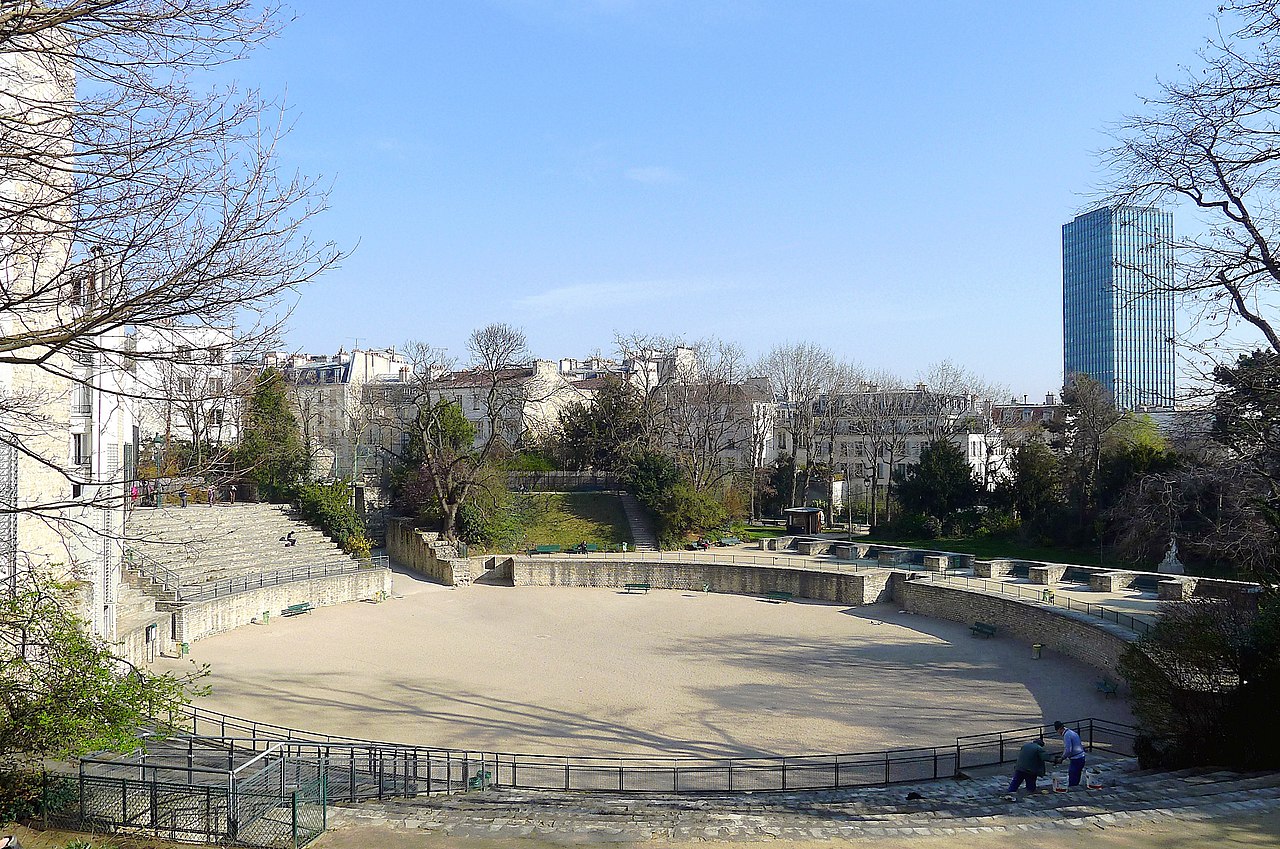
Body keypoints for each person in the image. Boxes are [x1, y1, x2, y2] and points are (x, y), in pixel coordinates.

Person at [1055, 720, 1087, 787]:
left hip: (1076, 759)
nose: (1058, 733)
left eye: (1057, 731)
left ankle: (1073, 791)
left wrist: (1062, 758)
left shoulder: (1067, 735)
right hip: (1081, 756)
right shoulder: (1072, 732)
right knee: (1077, 776)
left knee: (1072, 777)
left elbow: (1068, 750)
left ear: (1060, 729)